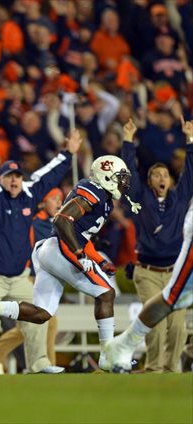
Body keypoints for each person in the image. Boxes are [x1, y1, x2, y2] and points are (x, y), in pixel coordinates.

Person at [0, 147, 142, 371]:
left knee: (41, 314)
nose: (123, 183)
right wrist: (80, 255)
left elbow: (79, 233)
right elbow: (62, 220)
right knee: (106, 293)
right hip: (60, 249)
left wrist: (97, 258)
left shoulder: (103, 199)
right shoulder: (94, 191)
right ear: (105, 177)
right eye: (119, 178)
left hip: (52, 250)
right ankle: (108, 355)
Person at [0, 118, 82, 375]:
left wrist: (68, 154)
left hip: (17, 277)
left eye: (17, 176)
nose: (14, 181)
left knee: (38, 315)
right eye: (9, 177)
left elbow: (49, 176)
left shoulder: (29, 193)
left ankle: (39, 364)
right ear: (1, 179)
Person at [120, 117, 193, 373]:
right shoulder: (139, 200)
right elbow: (127, 175)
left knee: (178, 326)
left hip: (175, 272)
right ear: (150, 182)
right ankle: (153, 368)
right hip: (148, 272)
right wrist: (127, 141)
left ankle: (171, 370)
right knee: (157, 323)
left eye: (165, 175)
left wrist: (190, 141)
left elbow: (190, 173)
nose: (162, 177)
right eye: (156, 175)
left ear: (170, 181)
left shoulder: (181, 199)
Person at [105, 200, 193, 373]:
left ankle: (187, 355)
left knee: (176, 305)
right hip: (151, 268)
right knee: (174, 298)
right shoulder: (145, 207)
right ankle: (124, 345)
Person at [0, 188, 64, 373]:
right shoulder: (35, 224)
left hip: (42, 282)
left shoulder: (56, 224)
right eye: (53, 198)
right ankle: (47, 365)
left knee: (25, 329)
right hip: (30, 279)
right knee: (47, 322)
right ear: (42, 203)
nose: (59, 202)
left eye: (60, 199)